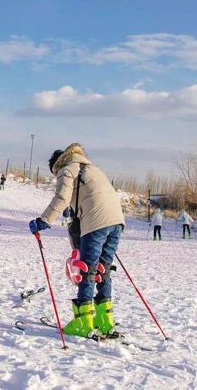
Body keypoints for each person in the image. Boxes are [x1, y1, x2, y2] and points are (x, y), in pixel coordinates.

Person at [29, 143, 125, 338]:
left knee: (87, 270)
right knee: (103, 269)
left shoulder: (66, 169)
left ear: (56, 165)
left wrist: (44, 220)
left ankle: (84, 321)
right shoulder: (91, 167)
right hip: (117, 220)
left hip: (96, 222)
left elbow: (61, 198)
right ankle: (104, 320)